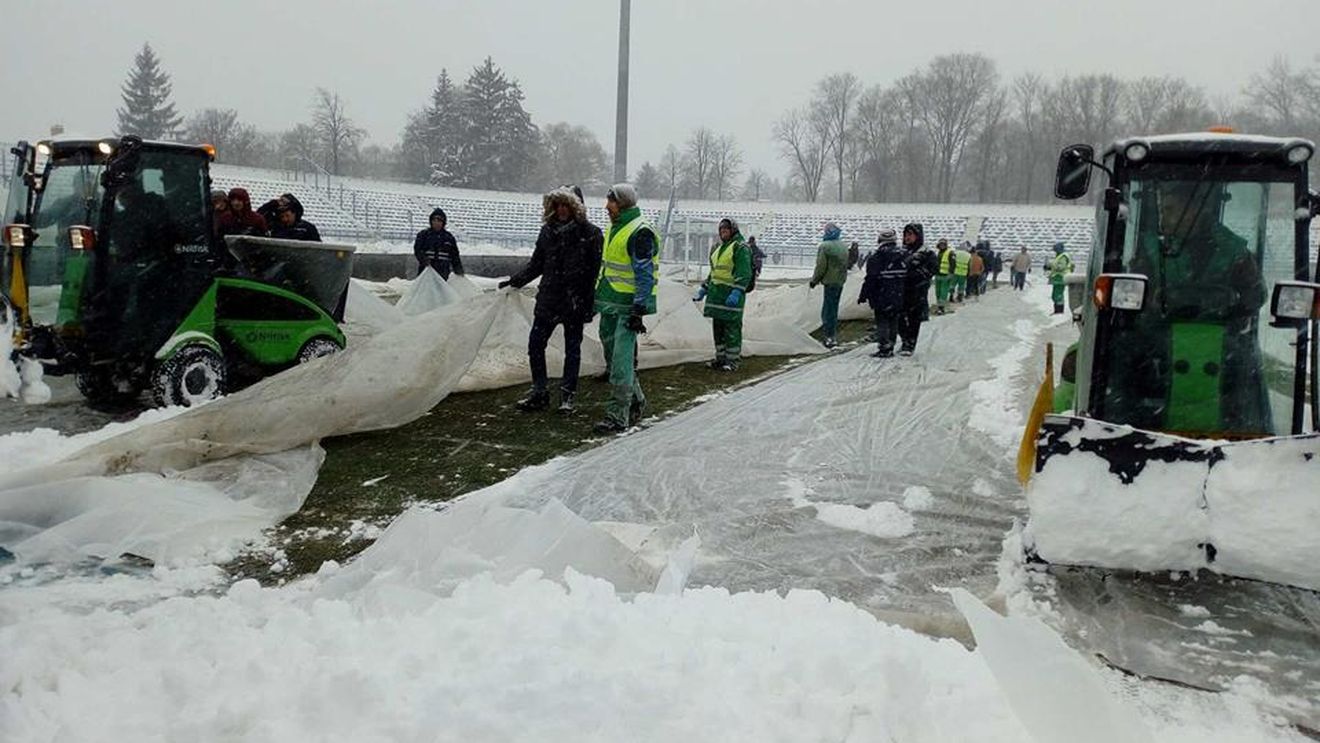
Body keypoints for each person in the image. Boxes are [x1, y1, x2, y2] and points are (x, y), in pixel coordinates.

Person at [501, 186, 603, 414]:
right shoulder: (547, 231)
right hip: (549, 298)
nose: (562, 210)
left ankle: (567, 397)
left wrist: (587, 303)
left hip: (574, 301)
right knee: (535, 344)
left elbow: (592, 274)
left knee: (572, 349)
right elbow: (537, 264)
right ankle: (540, 392)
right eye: (558, 205)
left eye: (567, 205)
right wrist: (515, 281)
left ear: (576, 207)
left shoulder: (591, 234)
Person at [593, 183, 659, 434]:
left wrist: (638, 310)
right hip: (610, 303)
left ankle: (618, 416)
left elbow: (644, 275)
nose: (606, 206)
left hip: (627, 307)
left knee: (621, 363)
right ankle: (637, 401)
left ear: (622, 203)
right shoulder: (615, 228)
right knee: (613, 358)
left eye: (610, 201)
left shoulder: (640, 232)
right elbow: (608, 269)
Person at [694, 218, 753, 371]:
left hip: (730, 296)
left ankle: (732, 361)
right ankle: (720, 359)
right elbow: (715, 272)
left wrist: (737, 291)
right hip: (716, 296)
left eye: (726, 229)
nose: (723, 232)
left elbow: (744, 272)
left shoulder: (740, 247)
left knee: (732, 329)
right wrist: (704, 288)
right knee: (718, 329)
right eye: (721, 230)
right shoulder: (718, 248)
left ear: (733, 230)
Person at [858, 228, 907, 357]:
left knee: (882, 320)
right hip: (899, 293)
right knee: (894, 319)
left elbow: (871, 278)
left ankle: (884, 347)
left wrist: (864, 294)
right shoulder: (905, 255)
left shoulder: (876, 257)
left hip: (881, 294)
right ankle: (891, 344)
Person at [809, 222, 849, 348]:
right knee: (834, 308)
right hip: (840, 280)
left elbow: (821, 266)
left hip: (830, 281)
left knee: (828, 310)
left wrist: (814, 280)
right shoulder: (843, 246)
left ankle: (829, 336)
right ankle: (832, 334)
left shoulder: (825, 246)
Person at [898, 223, 936, 356]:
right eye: (905, 235)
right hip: (901, 290)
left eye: (910, 235)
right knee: (899, 317)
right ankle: (905, 340)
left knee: (914, 318)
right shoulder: (901, 252)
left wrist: (917, 273)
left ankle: (910, 344)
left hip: (917, 290)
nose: (907, 238)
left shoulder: (926, 253)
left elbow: (932, 269)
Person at [413, 207, 463, 280]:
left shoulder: (449, 238)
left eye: (439, 221)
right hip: (426, 273)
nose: (436, 223)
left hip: (443, 273)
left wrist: (459, 270)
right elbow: (417, 250)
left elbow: (455, 256)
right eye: (434, 220)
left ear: (443, 222)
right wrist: (424, 260)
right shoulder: (423, 235)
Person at [1048, 242, 1072, 314]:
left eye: (1055, 250)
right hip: (1057, 278)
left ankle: (1059, 311)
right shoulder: (1059, 256)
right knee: (1055, 294)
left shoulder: (1063, 256)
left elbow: (1061, 267)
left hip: (1061, 277)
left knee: (1058, 295)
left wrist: (1051, 264)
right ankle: (1057, 310)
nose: (1055, 252)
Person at [933, 239, 957, 314]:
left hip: (945, 275)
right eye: (941, 244)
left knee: (943, 292)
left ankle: (941, 307)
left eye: (943, 244)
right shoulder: (938, 252)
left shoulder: (950, 253)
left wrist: (951, 273)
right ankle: (939, 305)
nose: (942, 246)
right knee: (938, 292)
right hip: (938, 275)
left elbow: (953, 264)